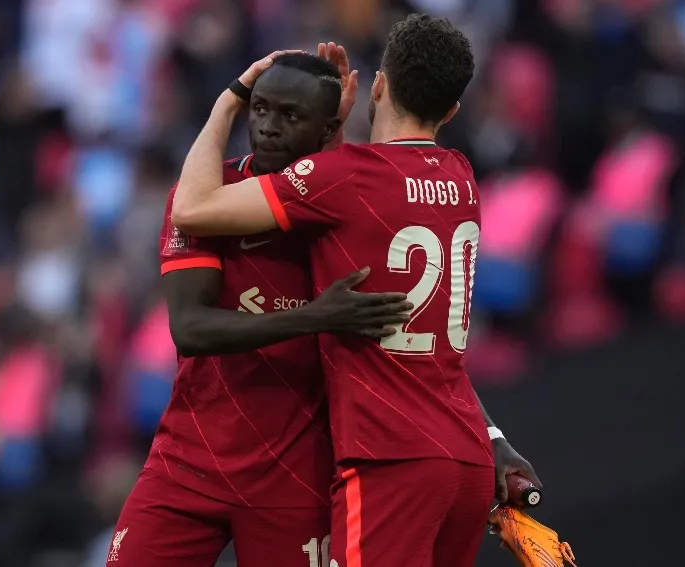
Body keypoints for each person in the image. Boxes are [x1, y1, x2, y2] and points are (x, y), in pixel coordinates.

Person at [171, 15, 543, 567]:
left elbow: (193, 206)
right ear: (453, 112)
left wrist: (230, 104)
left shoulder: (345, 177)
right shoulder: (462, 179)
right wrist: (495, 438)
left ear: (379, 86)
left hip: (389, 460)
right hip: (466, 458)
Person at [108, 51, 412, 567]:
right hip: (190, 460)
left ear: (327, 130)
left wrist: (489, 437)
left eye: (291, 117)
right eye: (261, 109)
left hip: (296, 474)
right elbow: (190, 328)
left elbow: (418, 335)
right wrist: (317, 315)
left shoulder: (347, 208)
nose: (269, 128)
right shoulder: (206, 195)